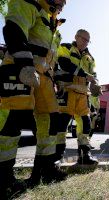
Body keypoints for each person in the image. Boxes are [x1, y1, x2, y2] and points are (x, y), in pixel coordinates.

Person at [0, 0, 67, 197]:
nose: (64, 2)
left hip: (44, 77)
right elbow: (14, 28)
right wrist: (24, 62)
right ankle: (3, 179)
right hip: (20, 66)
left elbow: (49, 56)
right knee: (13, 121)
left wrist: (57, 80)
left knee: (51, 121)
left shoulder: (52, 22)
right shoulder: (30, 3)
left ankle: (43, 170)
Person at [54, 29, 100, 165]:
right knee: (62, 123)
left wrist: (96, 84)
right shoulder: (65, 47)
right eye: (84, 39)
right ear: (76, 37)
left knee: (85, 124)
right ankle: (57, 156)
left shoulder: (90, 58)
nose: (86, 43)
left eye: (88, 40)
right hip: (67, 91)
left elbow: (94, 75)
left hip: (83, 94)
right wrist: (86, 75)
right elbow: (64, 64)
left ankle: (84, 156)